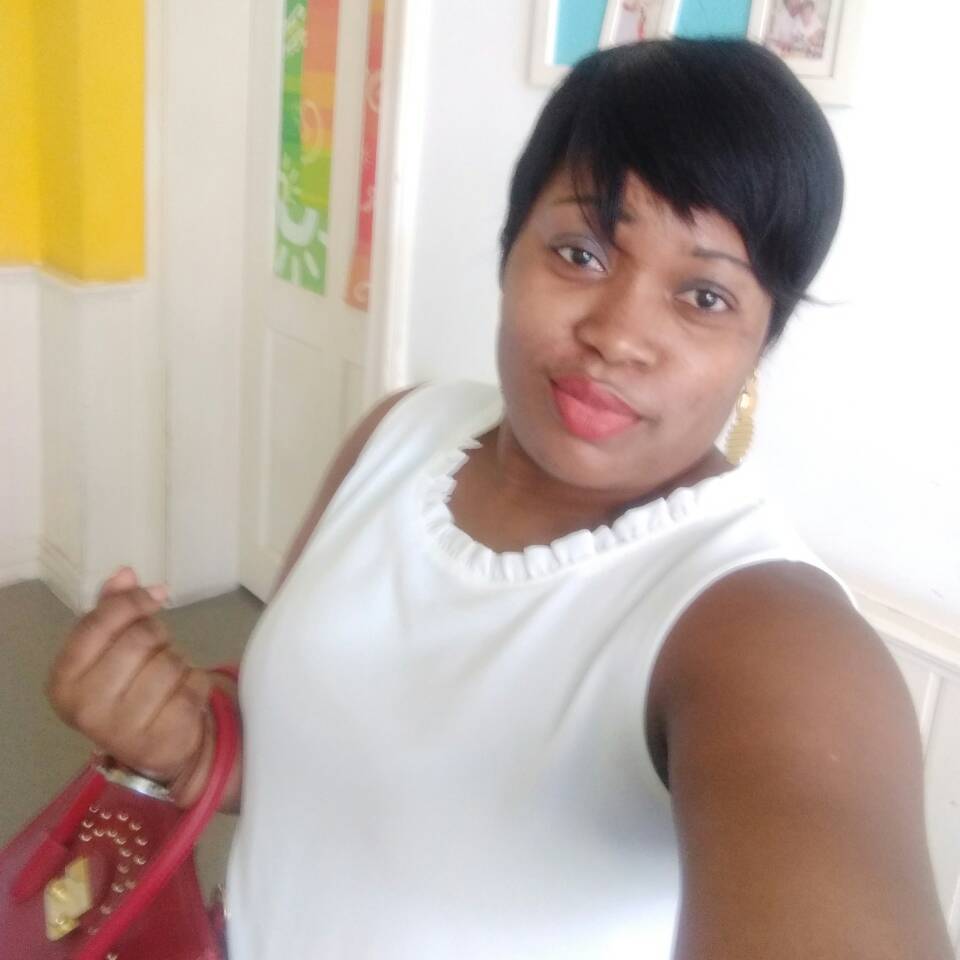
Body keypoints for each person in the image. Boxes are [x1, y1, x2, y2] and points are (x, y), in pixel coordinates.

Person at [47, 39, 952, 960]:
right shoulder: (401, 435)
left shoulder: (770, 634)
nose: (618, 335)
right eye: (581, 251)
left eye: (705, 297)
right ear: (510, 251)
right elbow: (323, 767)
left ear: (760, 346)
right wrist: (191, 741)